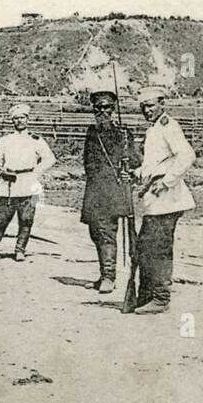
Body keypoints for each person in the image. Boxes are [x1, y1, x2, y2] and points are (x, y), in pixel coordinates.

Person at [131, 87, 195, 314]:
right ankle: (148, 296)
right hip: (156, 198)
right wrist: (137, 172)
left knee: (157, 248)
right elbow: (155, 163)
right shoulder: (155, 129)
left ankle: (160, 298)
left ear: (162, 104)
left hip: (167, 198)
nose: (147, 110)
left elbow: (187, 155)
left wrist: (167, 182)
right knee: (147, 247)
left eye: (151, 105)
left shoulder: (169, 125)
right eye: (143, 107)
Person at [0, 103, 56, 262]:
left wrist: (36, 173)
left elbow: (50, 159)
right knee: (0, 219)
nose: (19, 121)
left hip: (28, 183)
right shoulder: (5, 140)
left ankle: (20, 250)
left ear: (28, 119)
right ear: (12, 121)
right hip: (8, 185)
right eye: (16, 118)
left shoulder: (36, 140)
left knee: (26, 219)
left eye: (22, 118)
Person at [80, 90, 140, 293]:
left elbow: (137, 161)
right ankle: (103, 274)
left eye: (106, 107)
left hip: (114, 191)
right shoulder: (91, 133)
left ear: (113, 110)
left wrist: (129, 173)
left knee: (106, 233)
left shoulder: (123, 134)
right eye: (98, 108)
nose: (102, 111)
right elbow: (87, 163)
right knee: (96, 233)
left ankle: (109, 277)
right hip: (95, 191)